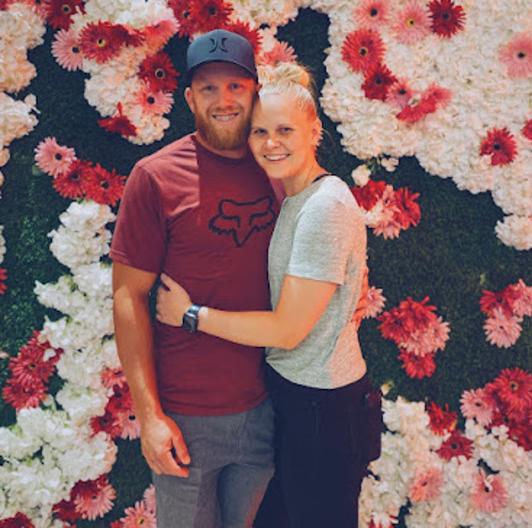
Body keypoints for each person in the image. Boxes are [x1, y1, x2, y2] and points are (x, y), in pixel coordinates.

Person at [156, 62, 382, 528]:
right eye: (259, 131)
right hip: (297, 400)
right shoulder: (294, 198)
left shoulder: (323, 206)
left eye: (284, 130)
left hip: (324, 407)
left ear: (314, 131)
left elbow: (287, 330)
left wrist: (191, 314)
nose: (270, 142)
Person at [110, 29, 280, 527]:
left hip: (269, 408)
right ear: (189, 98)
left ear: (255, 92)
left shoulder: (279, 167)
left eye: (235, 86)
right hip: (187, 420)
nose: (223, 100)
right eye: (208, 88)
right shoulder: (155, 177)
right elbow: (128, 296)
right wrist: (149, 417)